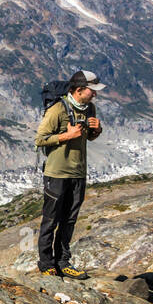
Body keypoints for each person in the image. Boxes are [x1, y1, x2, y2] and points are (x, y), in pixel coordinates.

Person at [34, 70, 105, 278]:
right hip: (57, 173)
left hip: (78, 173)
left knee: (70, 220)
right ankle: (46, 263)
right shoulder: (58, 109)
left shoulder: (89, 108)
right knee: (51, 219)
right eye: (92, 91)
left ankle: (63, 262)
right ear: (79, 90)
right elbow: (40, 139)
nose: (95, 95)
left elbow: (88, 138)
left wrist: (96, 130)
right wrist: (67, 135)